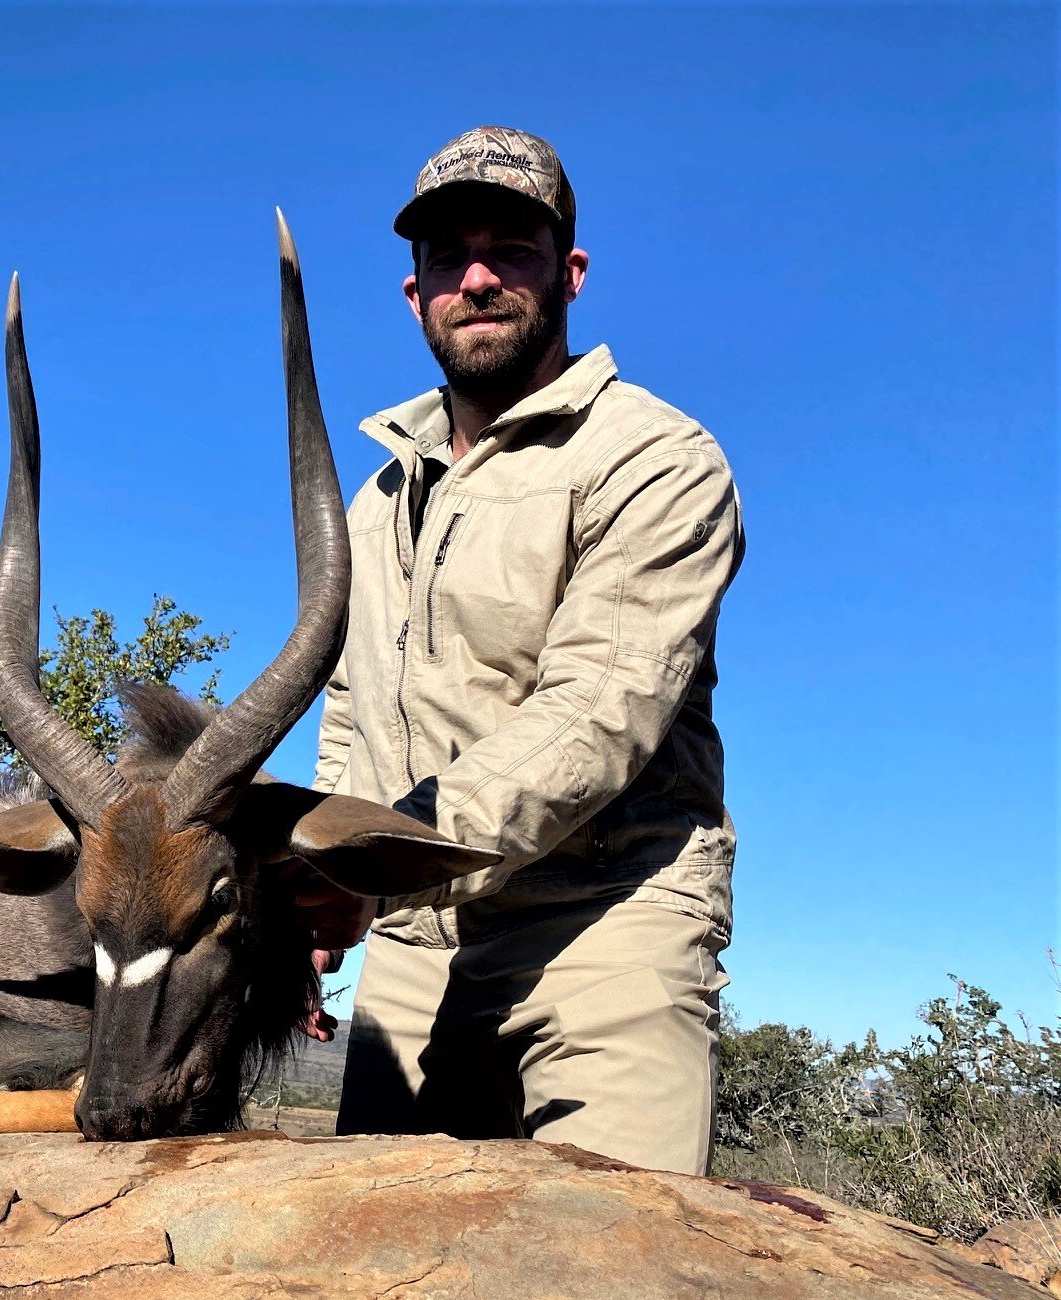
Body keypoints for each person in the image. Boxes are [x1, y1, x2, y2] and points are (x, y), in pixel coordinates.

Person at [291, 126, 744, 1176]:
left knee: (624, 1280)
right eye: (449, 256)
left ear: (572, 274)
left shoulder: (658, 458)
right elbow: (355, 706)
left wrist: (375, 862)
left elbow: (598, 713)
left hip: (603, 919)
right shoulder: (375, 500)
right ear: (415, 295)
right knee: (376, 1271)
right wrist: (318, 894)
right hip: (410, 941)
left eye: (514, 249)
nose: (479, 277)